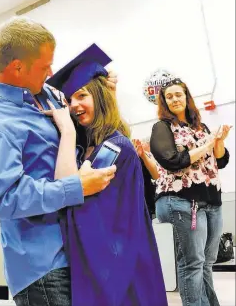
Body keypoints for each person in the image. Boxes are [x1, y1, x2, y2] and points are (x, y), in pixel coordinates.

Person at [0, 17, 117, 306]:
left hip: (78, 246)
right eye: (44, 66)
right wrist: (76, 187)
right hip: (43, 266)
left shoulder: (47, 95)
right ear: (17, 67)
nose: (51, 73)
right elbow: (3, 199)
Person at [46, 43, 168, 306]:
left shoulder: (113, 146)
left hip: (116, 263)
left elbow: (69, 193)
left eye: (81, 96)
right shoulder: (90, 145)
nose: (73, 106)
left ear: (99, 97)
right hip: (106, 258)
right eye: (69, 100)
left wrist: (66, 130)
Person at [150, 77, 231, 306]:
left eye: (179, 94)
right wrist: (206, 145)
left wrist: (218, 141)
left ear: (187, 97)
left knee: (207, 261)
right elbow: (172, 160)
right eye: (170, 96)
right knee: (192, 262)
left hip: (211, 200)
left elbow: (221, 160)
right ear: (164, 102)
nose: (175, 99)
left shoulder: (200, 127)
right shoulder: (162, 127)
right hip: (182, 200)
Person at [133, 137, 160, 219]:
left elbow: (155, 175)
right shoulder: (141, 157)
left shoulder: (147, 157)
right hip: (146, 199)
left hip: (147, 199)